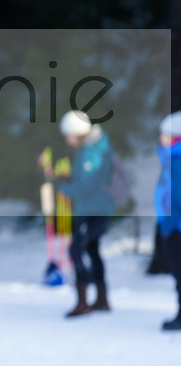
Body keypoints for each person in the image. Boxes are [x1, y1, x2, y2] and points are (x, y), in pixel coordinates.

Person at [57, 110, 116, 317]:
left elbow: (86, 187)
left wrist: (64, 187)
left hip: (92, 210)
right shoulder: (93, 147)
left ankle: (84, 301)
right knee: (91, 250)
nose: (67, 139)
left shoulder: (92, 152)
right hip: (93, 208)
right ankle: (101, 298)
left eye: (69, 134)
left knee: (77, 250)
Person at [155, 111, 181, 331]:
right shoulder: (171, 158)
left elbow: (176, 198)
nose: (160, 138)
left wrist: (169, 226)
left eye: (164, 134)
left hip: (176, 227)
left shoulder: (176, 160)